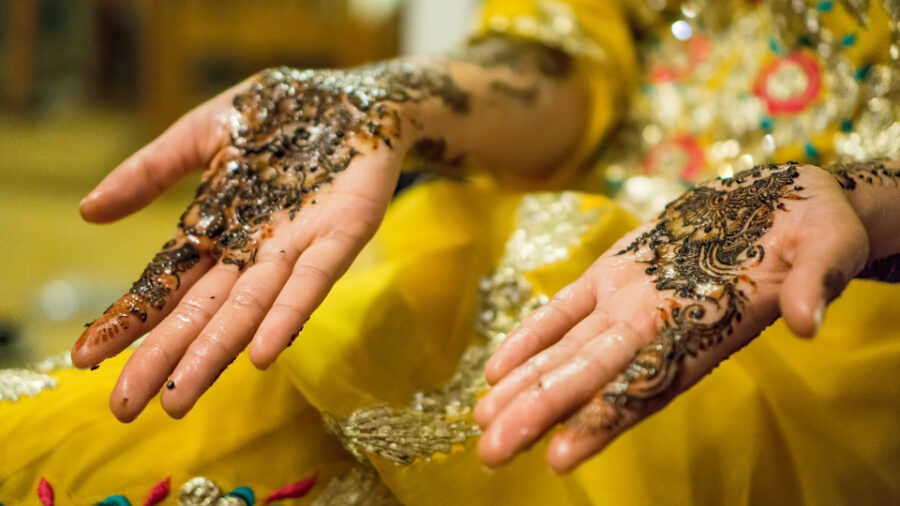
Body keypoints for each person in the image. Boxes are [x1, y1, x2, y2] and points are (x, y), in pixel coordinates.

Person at [2, 0, 899, 504]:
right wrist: (386, 100)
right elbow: (564, 59)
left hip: (840, 299)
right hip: (540, 233)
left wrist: (866, 199)